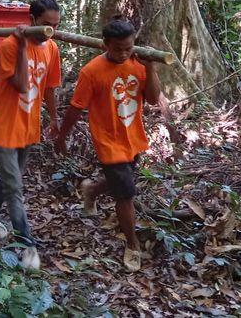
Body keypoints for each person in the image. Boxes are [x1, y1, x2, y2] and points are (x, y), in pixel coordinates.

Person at [54, 17, 162, 272]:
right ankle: (132, 245)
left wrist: (152, 68)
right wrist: (61, 136)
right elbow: (75, 107)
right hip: (108, 141)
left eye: (129, 47)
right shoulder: (91, 71)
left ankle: (91, 190)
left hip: (133, 137)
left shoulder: (139, 63)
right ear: (105, 45)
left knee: (122, 183)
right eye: (118, 48)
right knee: (126, 194)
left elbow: (154, 99)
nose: (124, 53)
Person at [0, 0, 62, 270]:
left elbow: (49, 86)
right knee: (15, 188)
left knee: (8, 181)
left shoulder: (51, 48)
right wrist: (24, 47)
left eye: (56, 25)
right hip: (5, 126)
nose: (51, 31)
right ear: (32, 20)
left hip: (29, 126)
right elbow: (22, 85)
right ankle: (27, 248)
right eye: (46, 24)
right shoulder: (8, 46)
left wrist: (54, 118)